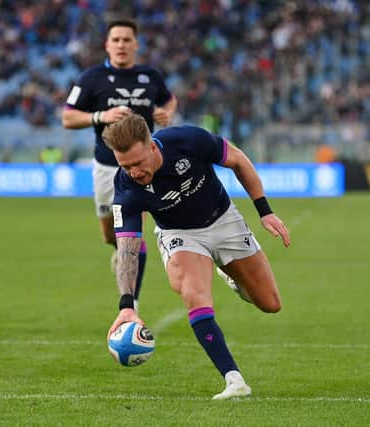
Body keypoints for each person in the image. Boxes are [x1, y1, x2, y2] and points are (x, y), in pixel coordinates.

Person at [103, 114, 290, 400]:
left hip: (224, 220)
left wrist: (264, 211)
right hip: (179, 234)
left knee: (270, 303)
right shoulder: (126, 189)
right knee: (194, 294)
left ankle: (229, 275)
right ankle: (234, 380)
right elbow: (127, 248)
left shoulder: (188, 140)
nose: (134, 172)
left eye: (138, 163)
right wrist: (126, 305)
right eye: (125, 166)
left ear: (152, 147)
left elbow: (238, 160)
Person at [62, 19, 177, 309]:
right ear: (107, 45)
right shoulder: (91, 78)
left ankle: (132, 301)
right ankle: (119, 249)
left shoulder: (149, 76)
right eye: (116, 40)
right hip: (106, 168)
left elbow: (169, 100)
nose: (122, 45)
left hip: (144, 167)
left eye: (127, 40)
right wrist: (101, 116)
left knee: (134, 234)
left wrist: (164, 113)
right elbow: (68, 117)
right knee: (109, 234)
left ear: (136, 44)